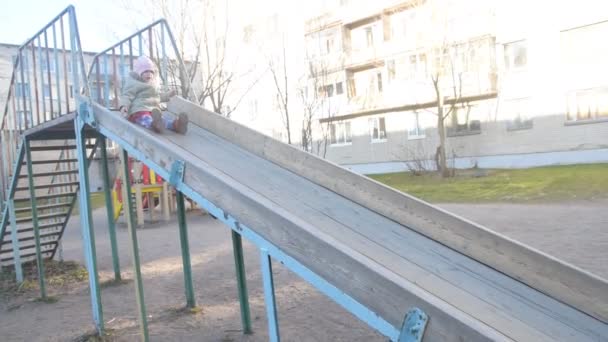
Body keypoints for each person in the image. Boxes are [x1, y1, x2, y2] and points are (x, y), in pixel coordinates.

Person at [119, 56, 188, 134]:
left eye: (151, 72)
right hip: (139, 110)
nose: (149, 74)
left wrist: (168, 95)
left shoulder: (151, 85)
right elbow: (126, 95)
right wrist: (124, 106)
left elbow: (157, 97)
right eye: (145, 72)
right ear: (139, 73)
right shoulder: (133, 83)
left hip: (153, 111)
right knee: (146, 119)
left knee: (163, 119)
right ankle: (154, 125)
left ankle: (176, 125)